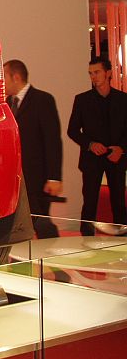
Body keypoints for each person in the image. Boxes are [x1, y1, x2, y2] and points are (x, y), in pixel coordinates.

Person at [67, 57, 127, 235]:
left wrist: (121, 149)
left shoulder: (123, 99)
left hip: (116, 158)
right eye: (91, 73)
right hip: (91, 159)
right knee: (90, 203)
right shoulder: (82, 100)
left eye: (97, 72)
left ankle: (123, 242)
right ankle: (85, 241)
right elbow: (72, 130)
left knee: (119, 203)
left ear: (108, 73)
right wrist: (90, 144)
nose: (93, 77)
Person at [4, 60, 62, 238]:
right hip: (14, 177)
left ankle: (54, 259)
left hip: (37, 177)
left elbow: (52, 141)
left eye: (4, 77)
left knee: (41, 221)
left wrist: (54, 177)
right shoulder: (6, 104)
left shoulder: (43, 100)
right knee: (17, 223)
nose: (2, 82)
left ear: (16, 77)